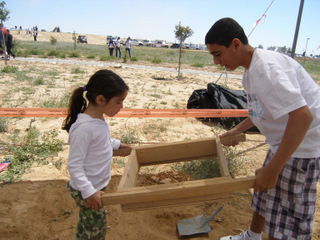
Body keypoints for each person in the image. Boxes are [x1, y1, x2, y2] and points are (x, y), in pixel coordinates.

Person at [205, 18, 320, 240]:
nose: (216, 62)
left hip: (301, 148)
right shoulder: (250, 70)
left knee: (288, 220)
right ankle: (252, 236)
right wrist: (236, 130)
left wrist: (274, 169)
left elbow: (303, 116)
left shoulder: (266, 70)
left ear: (236, 44)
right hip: (283, 144)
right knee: (264, 194)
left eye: (218, 54)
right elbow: (259, 110)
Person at [62, 69, 131, 240]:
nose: (121, 107)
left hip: (95, 186)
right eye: (119, 102)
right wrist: (89, 192)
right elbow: (74, 166)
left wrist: (116, 144)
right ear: (101, 99)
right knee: (96, 231)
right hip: (88, 188)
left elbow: (102, 139)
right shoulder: (84, 129)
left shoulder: (98, 117)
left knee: (87, 224)